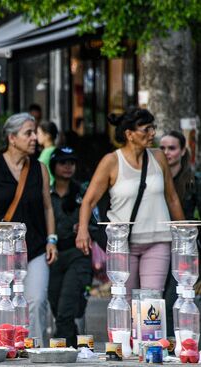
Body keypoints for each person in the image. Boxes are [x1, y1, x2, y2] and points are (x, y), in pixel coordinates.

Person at [76, 108, 184, 296]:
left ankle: (148, 328)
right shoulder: (111, 162)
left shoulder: (158, 157)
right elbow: (89, 200)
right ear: (129, 134)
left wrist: (184, 233)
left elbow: (172, 198)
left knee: (151, 302)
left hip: (159, 240)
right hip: (123, 243)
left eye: (153, 128)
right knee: (125, 302)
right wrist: (83, 231)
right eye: (146, 129)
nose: (152, 134)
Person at [0, 113, 57, 346]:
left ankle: (36, 350)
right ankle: (1, 351)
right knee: (0, 307)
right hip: (0, 250)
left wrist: (52, 239)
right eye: (28, 133)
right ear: (12, 138)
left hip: (35, 247)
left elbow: (47, 206)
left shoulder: (39, 168)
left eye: (34, 132)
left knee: (36, 301)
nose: (34, 138)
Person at [47, 147, 99, 347]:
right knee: (55, 305)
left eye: (72, 162)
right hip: (53, 256)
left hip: (78, 255)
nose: (68, 166)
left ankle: (66, 353)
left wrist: (85, 227)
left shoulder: (83, 192)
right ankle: (76, 348)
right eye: (63, 162)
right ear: (54, 166)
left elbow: (97, 222)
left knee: (66, 311)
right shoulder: (47, 193)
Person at [160, 130, 201, 335]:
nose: (167, 152)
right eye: (162, 148)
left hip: (185, 250)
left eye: (172, 148)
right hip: (156, 245)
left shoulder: (193, 181)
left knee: (174, 300)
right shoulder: (153, 179)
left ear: (183, 150)